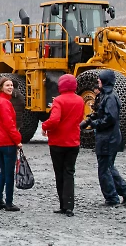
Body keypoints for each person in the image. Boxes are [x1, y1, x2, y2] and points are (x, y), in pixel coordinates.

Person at [80, 70, 126, 207]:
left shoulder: (110, 97)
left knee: (104, 169)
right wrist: (91, 119)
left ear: (105, 81)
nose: (98, 81)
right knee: (108, 167)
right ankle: (125, 193)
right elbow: (104, 114)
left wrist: (95, 124)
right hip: (108, 137)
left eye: (100, 79)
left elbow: (110, 118)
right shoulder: (106, 95)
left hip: (108, 138)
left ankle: (113, 198)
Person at [41, 74, 85, 217]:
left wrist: (44, 126)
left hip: (58, 142)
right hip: (73, 141)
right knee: (69, 173)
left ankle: (63, 205)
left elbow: (54, 120)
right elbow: (80, 118)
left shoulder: (58, 100)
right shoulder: (80, 100)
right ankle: (69, 206)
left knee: (59, 173)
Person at [0, 76, 22, 211]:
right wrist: (18, 141)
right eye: (7, 85)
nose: (10, 87)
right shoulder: (5, 103)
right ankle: (9, 202)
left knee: (3, 172)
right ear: (1, 87)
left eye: (11, 85)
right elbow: (10, 125)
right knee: (9, 174)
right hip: (7, 142)